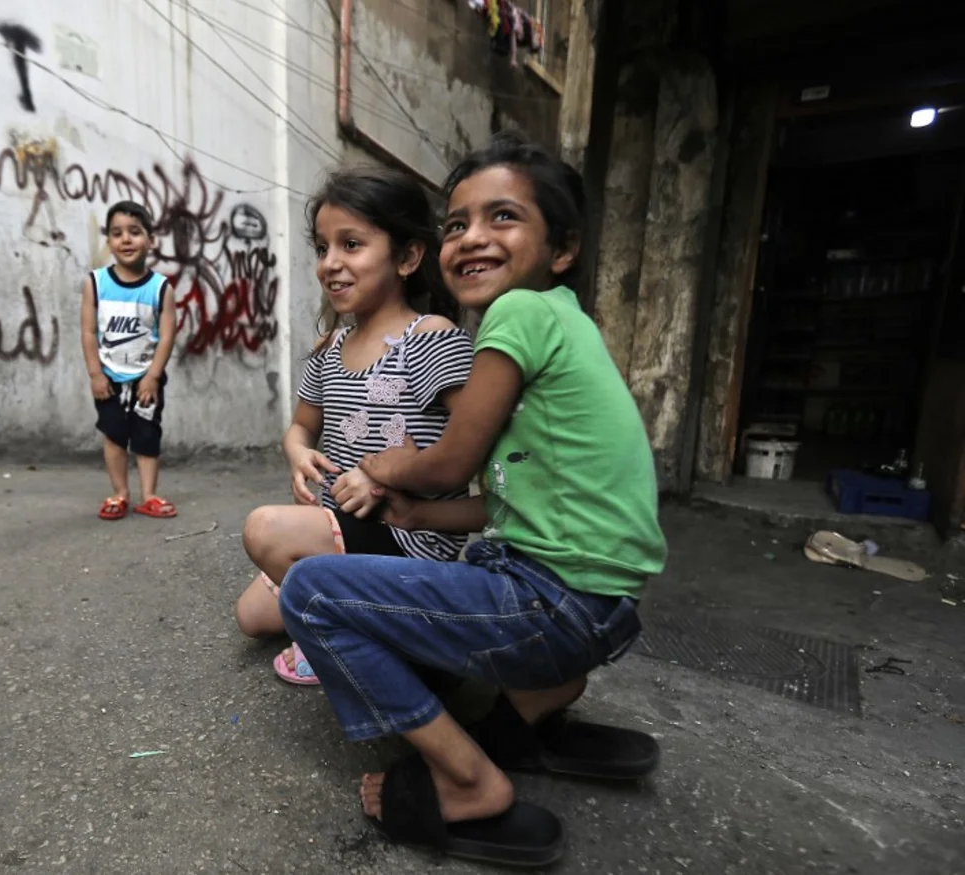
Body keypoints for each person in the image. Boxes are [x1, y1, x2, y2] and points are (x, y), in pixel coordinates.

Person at [276, 131, 668, 867]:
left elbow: (449, 459)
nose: (472, 238)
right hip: (603, 606)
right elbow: (506, 504)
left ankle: (467, 783)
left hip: (554, 603)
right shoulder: (565, 326)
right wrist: (424, 517)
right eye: (457, 222)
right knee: (461, 560)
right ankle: (530, 715)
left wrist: (393, 472)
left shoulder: (519, 316)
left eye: (503, 218)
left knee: (311, 593)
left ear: (562, 249)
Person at [231, 166, 472, 685]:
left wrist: (388, 474)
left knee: (265, 531)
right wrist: (298, 456)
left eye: (352, 244)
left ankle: (356, 634)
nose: (330, 264)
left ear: (408, 257)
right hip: (343, 526)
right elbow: (298, 430)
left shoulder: (429, 338)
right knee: (251, 618)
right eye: (322, 247)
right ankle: (348, 608)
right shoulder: (330, 350)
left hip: (408, 536)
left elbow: (474, 439)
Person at [80, 201, 179, 521]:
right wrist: (95, 374)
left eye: (135, 233)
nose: (125, 240)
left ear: (150, 240)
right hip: (108, 377)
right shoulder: (95, 283)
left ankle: (148, 495)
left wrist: (153, 375)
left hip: (145, 378)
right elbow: (88, 332)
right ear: (108, 241)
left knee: (147, 435)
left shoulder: (160, 287)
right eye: (117, 233)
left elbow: (166, 336)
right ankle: (120, 493)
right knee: (113, 434)